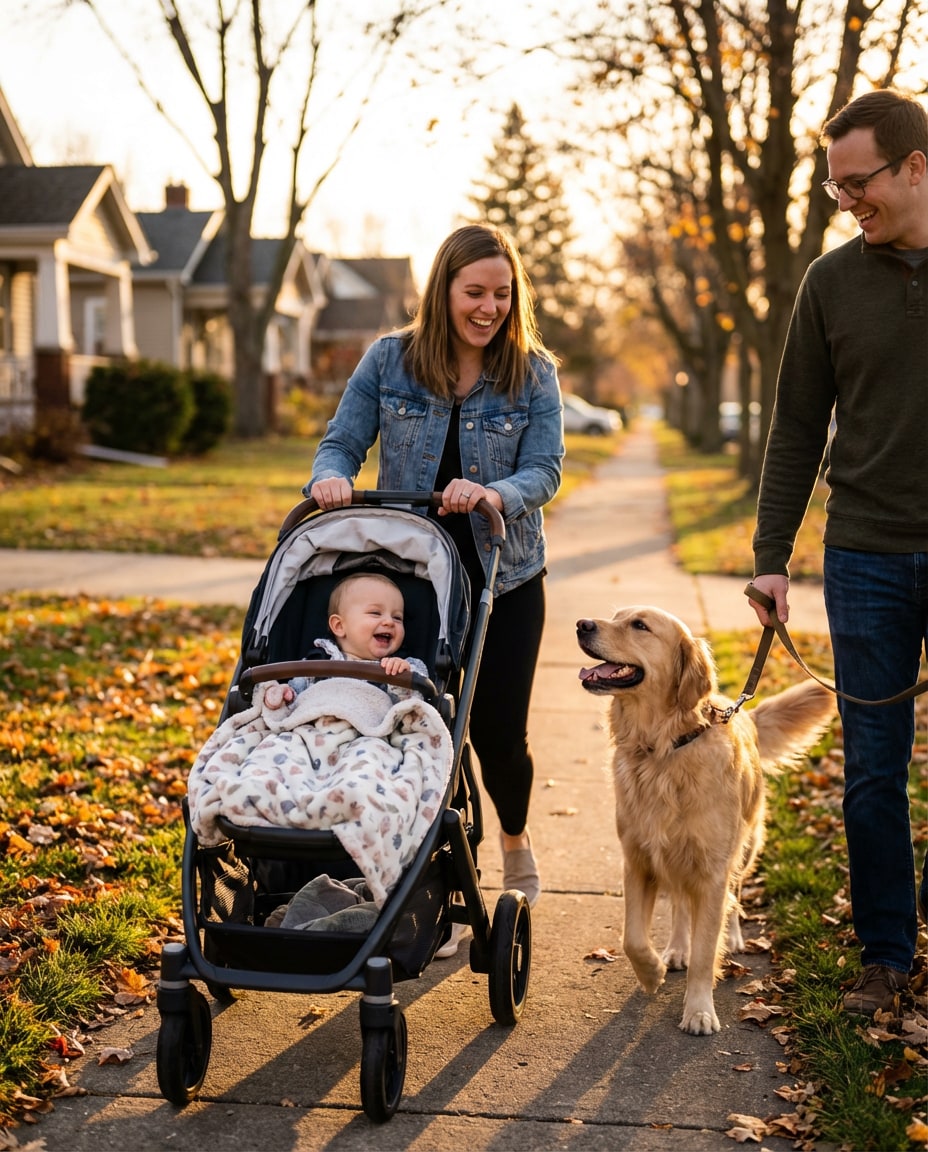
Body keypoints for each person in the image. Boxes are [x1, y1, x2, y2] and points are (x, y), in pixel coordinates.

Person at [305, 223, 564, 941]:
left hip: (504, 579)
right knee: (425, 730)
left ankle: (514, 838)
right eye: (474, 292)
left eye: (502, 294)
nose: (489, 308)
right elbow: (342, 440)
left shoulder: (532, 372)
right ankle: (448, 880)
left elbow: (544, 470)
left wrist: (493, 493)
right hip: (415, 582)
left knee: (498, 734)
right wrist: (331, 477)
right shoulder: (389, 360)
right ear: (443, 289)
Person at [749, 88, 928, 1016]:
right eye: (835, 188)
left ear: (916, 167)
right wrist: (770, 554)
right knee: (872, 772)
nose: (848, 201)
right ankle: (886, 955)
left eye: (859, 182)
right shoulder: (829, 282)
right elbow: (794, 427)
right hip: (863, 556)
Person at [264, 572, 428, 708]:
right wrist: (284, 696)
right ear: (339, 626)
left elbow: (418, 699)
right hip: (317, 723)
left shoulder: (401, 666)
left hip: (372, 730)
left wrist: (403, 676)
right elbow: (296, 695)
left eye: (397, 618)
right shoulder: (317, 661)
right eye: (375, 613)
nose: (389, 622)